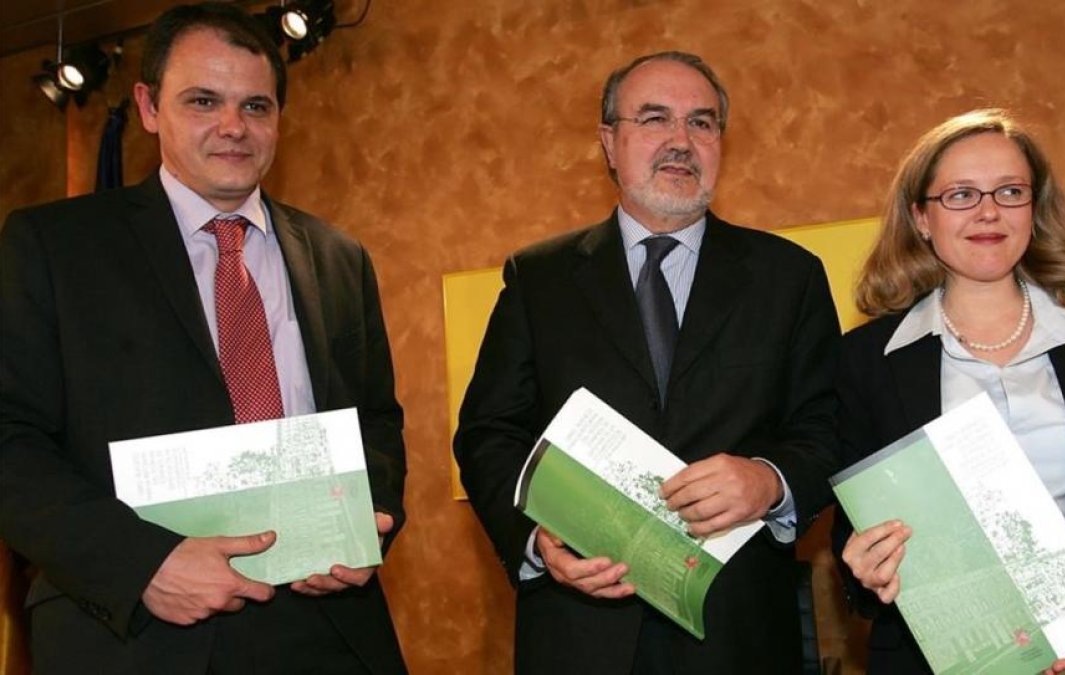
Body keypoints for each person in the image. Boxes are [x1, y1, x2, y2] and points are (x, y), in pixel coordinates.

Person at [0, 4, 407, 673]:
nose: (233, 127)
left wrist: (373, 516)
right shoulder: (52, 246)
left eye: (256, 105)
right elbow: (10, 438)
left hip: (328, 625)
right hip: (138, 631)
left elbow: (377, 423)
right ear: (149, 106)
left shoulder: (339, 257)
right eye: (203, 100)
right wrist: (143, 563)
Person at [453, 51, 840, 674]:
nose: (680, 142)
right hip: (581, 630)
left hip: (737, 632)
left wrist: (770, 480)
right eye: (654, 119)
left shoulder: (788, 277)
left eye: (702, 123)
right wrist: (535, 537)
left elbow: (827, 427)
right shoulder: (539, 279)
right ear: (610, 142)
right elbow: (488, 432)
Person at [834, 108, 1065, 674]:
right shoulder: (865, 360)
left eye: (1010, 191)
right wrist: (864, 567)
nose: (987, 211)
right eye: (960, 194)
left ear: (1035, 208)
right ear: (920, 218)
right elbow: (854, 537)